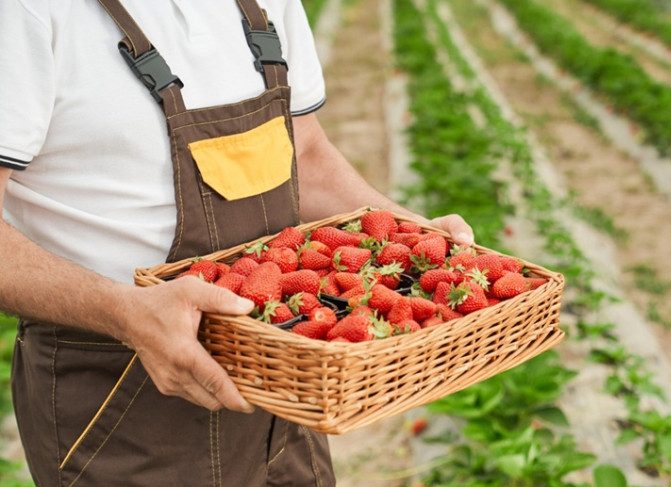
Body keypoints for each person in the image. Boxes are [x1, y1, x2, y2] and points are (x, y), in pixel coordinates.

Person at [0, 1, 473, 485]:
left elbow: (303, 153)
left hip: (282, 368)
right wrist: (128, 313)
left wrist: (412, 233)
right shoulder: (27, 13)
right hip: (123, 395)